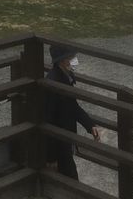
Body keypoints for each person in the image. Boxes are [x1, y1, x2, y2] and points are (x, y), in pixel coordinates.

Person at [45, 45, 100, 179]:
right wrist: (51, 157)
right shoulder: (54, 83)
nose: (74, 59)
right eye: (71, 57)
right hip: (59, 142)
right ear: (62, 60)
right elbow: (48, 119)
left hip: (66, 137)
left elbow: (73, 106)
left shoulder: (66, 76)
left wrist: (90, 125)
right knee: (70, 178)